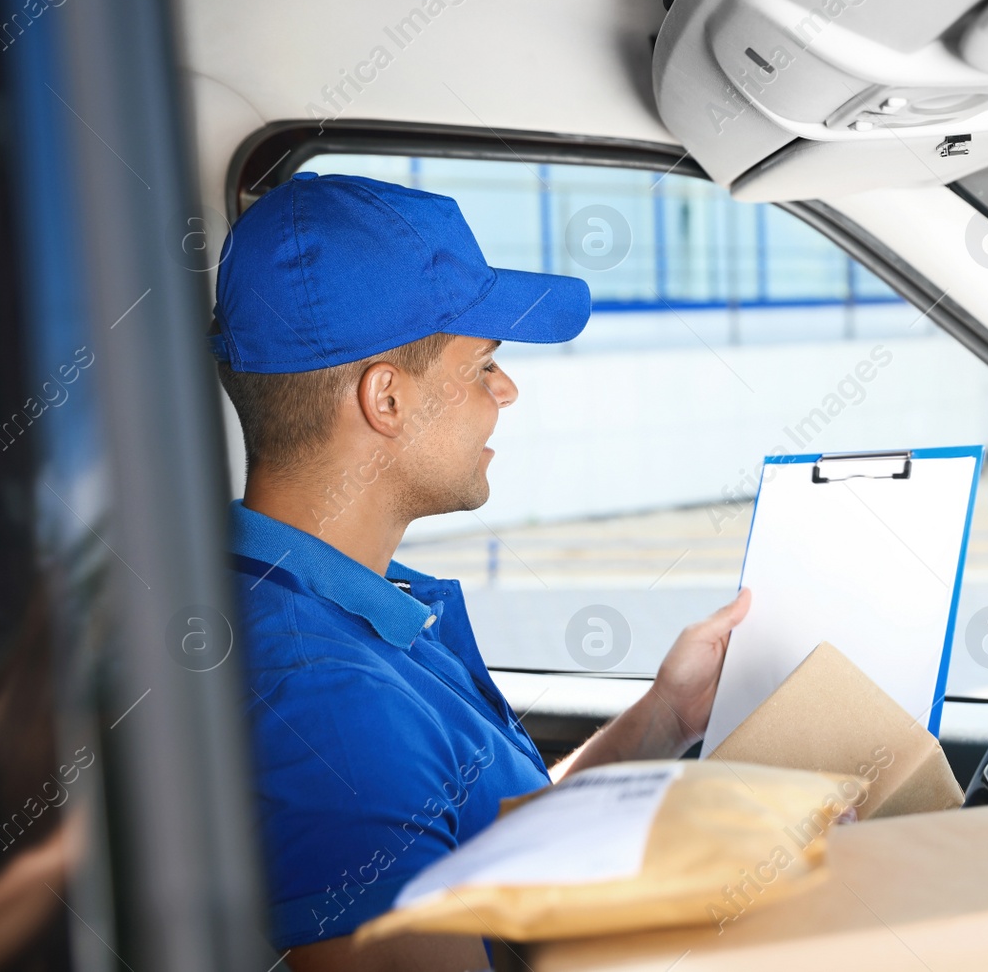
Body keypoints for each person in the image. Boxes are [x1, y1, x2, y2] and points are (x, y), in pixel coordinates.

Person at [210, 172, 750, 971]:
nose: (507, 389)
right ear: (385, 400)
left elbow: (480, 849)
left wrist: (665, 715)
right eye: (484, 364)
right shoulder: (324, 694)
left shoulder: (335, 604)